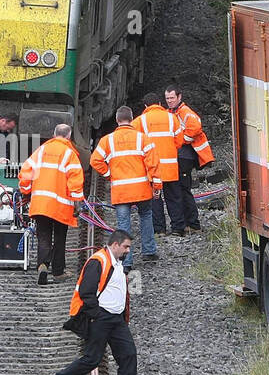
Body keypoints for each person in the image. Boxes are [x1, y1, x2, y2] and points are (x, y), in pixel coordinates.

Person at [40, 230, 149, 375]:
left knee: (128, 354)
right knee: (91, 359)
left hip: (116, 319)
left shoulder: (115, 262)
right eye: (126, 247)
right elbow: (86, 291)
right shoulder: (98, 261)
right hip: (102, 318)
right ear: (115, 245)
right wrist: (97, 314)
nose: (128, 250)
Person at [90, 106, 161, 268]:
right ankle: (149, 252)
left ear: (117, 120)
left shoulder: (107, 140)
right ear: (131, 119)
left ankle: (126, 262)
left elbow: (95, 161)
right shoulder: (142, 138)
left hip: (121, 191)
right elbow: (153, 164)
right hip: (142, 189)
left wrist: (108, 173)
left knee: (123, 225)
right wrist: (156, 184)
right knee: (146, 216)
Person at [19, 124, 85, 285]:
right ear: (69, 137)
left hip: (41, 203)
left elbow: (26, 172)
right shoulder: (69, 154)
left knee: (44, 236)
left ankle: (42, 265)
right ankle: (57, 271)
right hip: (61, 206)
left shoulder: (41, 151)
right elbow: (75, 180)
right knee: (60, 238)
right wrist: (78, 203)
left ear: (54, 135)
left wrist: (26, 191)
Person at [165, 84, 214, 233]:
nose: (169, 101)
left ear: (179, 97)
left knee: (182, 190)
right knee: (182, 190)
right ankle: (189, 223)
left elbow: (195, 128)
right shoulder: (173, 112)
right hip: (181, 157)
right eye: (167, 98)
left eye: (172, 98)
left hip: (185, 157)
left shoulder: (185, 112)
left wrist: (181, 140)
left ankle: (191, 224)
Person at [135, 93, 185, 235]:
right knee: (174, 198)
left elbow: (136, 144)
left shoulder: (140, 121)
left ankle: (159, 229)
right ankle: (178, 228)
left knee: (155, 199)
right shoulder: (172, 118)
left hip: (152, 168)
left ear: (145, 106)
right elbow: (179, 141)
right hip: (170, 167)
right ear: (159, 103)